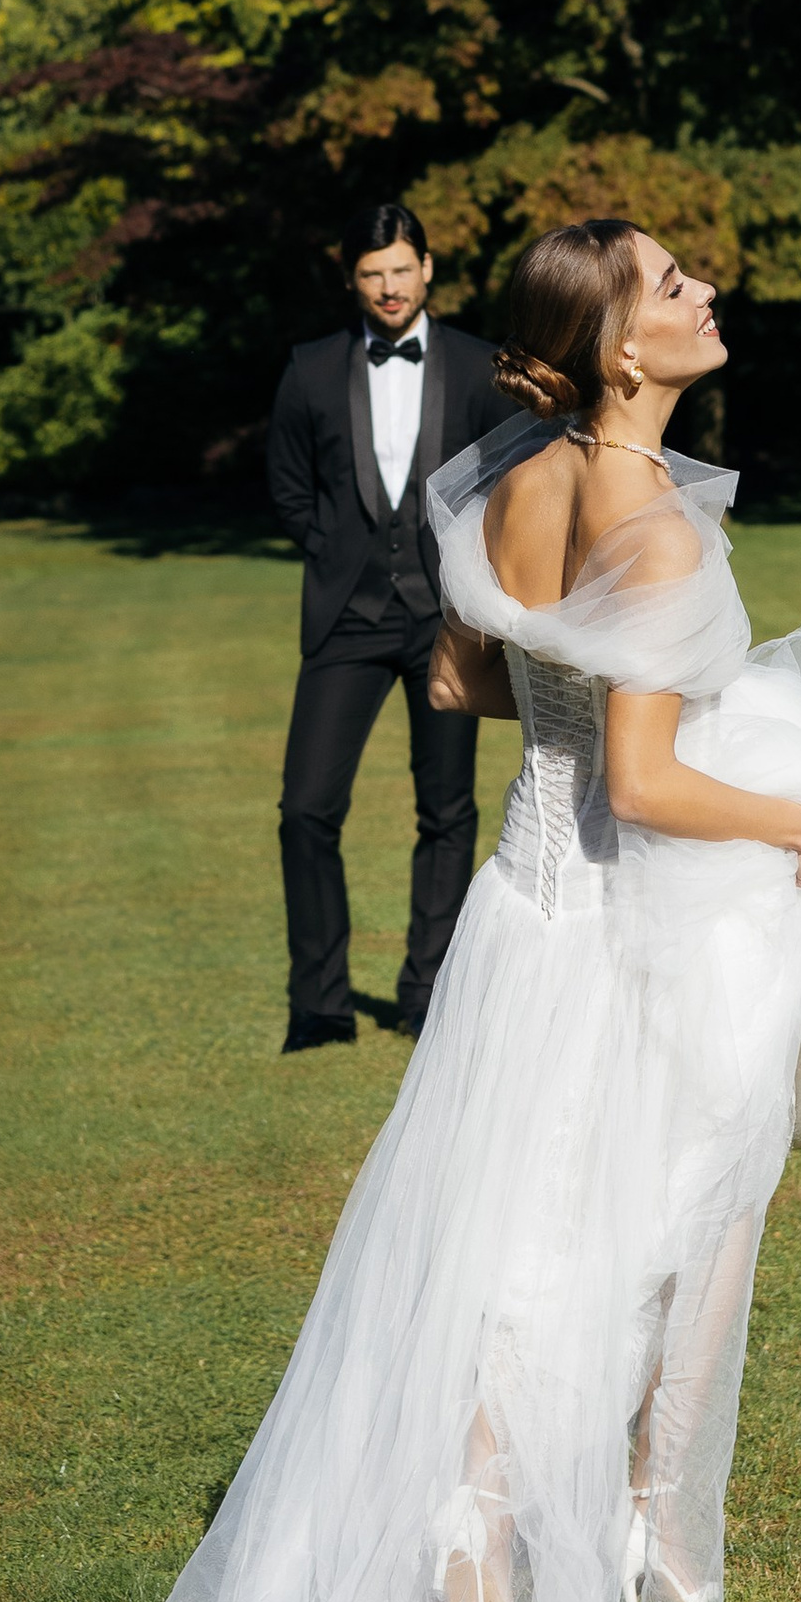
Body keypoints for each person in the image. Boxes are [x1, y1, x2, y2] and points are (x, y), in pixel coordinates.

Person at [150, 215, 801, 1602]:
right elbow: (642, 784)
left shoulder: (522, 476)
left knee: (514, 1217)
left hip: (520, 904)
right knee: (650, 1220)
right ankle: (644, 1528)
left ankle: (479, 1552)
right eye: (674, 284)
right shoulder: (653, 519)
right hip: (619, 915)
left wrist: (588, 695)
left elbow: (461, 674)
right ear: (623, 349)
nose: (707, 291)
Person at [264, 203, 512, 1052]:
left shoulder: (478, 367)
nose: (389, 287)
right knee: (305, 810)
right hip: (346, 620)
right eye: (372, 274)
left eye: (401, 269)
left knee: (446, 810)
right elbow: (288, 487)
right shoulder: (309, 370)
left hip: (447, 621)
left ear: (427, 269)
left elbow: (506, 487)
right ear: (352, 280)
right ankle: (319, 1005)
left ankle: (427, 992)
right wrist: (334, 551)